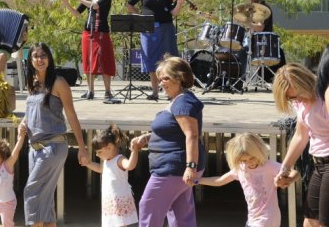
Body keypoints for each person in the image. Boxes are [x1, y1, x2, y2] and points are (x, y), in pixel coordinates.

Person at [131, 55, 205, 227]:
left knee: (148, 207)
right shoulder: (180, 100)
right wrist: (148, 137)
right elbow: (174, 131)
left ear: (180, 78)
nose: (161, 83)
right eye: (160, 79)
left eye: (166, 78)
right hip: (176, 168)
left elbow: (192, 135)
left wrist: (190, 167)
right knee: (180, 215)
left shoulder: (183, 102)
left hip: (172, 169)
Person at [21, 42, 89, 227]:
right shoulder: (32, 82)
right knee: (45, 197)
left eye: (43, 55)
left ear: (49, 58)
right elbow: (32, 111)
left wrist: (82, 148)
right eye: (35, 56)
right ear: (30, 60)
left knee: (32, 192)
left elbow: (71, 115)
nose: (39, 59)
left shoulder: (58, 82)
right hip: (34, 148)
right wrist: (24, 122)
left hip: (52, 146)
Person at [199, 133, 299, 227]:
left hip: (268, 218)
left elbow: (295, 173)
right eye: (244, 160)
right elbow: (219, 181)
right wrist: (198, 180)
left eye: (252, 158)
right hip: (252, 219)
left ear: (259, 152)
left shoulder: (268, 166)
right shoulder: (240, 169)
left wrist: (288, 180)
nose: (249, 162)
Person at [273, 62, 329, 227]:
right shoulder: (301, 102)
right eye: (290, 99)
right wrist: (285, 168)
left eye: (294, 96)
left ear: (304, 83)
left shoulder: (324, 96)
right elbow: (300, 135)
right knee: (310, 221)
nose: (294, 101)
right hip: (318, 165)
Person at [126, 0, 185, 101]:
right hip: (147, 29)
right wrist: (140, 17)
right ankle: (155, 92)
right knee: (151, 60)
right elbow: (129, 4)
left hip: (166, 28)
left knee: (169, 61)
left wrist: (179, 4)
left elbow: (174, 13)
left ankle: (172, 92)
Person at [60, 0, 116, 100]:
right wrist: (66, 3)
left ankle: (108, 92)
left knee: (104, 61)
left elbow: (95, 6)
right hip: (88, 33)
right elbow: (77, 14)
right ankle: (90, 91)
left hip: (101, 33)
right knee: (88, 61)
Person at [82, 123, 139, 227]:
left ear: (110, 147)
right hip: (110, 201)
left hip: (119, 201)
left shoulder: (119, 160)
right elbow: (100, 168)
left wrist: (135, 151)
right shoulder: (107, 161)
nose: (97, 154)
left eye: (99, 152)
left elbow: (130, 165)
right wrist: (88, 164)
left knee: (120, 224)